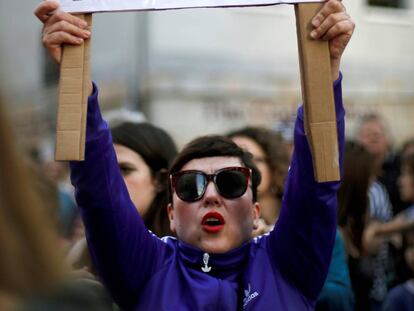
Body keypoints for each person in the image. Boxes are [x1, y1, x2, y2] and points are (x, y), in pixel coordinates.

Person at [35, 0, 355, 309]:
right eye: (190, 186)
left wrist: (323, 74)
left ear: (256, 212)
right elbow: (100, 195)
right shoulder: (147, 270)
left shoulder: (286, 265)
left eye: (230, 183)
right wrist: (74, 75)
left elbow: (316, 186)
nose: (211, 195)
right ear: (172, 215)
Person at [228, 126, 290, 229]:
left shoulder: (303, 214)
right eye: (228, 163)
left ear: (273, 166)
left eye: (247, 159)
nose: (238, 169)